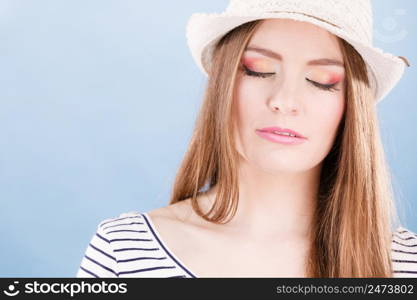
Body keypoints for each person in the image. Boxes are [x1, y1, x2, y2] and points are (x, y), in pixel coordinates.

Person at [76, 0, 416, 278]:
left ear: (351, 107)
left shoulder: (406, 266)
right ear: (223, 83)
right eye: (258, 70)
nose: (285, 100)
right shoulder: (124, 250)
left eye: (322, 80)